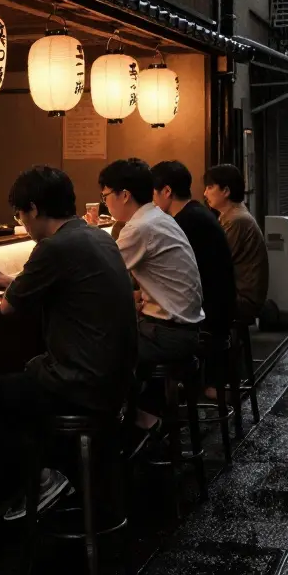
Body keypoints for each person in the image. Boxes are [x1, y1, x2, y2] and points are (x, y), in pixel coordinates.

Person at [0, 166, 137, 520]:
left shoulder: (53, 247)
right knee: (29, 372)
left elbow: (8, 308)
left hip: (85, 384)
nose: (22, 223)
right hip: (119, 380)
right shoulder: (96, 236)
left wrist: (16, 285)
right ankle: (66, 472)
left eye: (20, 214)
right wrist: (18, 281)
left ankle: (43, 479)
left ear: (34, 209)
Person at [100, 159, 204, 442]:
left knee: (98, 350)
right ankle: (145, 414)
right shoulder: (159, 217)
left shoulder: (139, 227)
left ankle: (132, 425)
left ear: (124, 195)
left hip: (170, 335)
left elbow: (99, 274)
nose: (105, 203)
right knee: (116, 338)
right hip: (184, 330)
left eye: (105, 196)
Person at [151, 160, 237, 400]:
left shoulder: (186, 223)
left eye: (153, 193)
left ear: (167, 191)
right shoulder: (197, 213)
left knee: (145, 331)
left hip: (209, 315)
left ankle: (158, 403)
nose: (152, 201)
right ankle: (169, 393)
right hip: (219, 306)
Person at [203, 164, 269, 327]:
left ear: (226, 191)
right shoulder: (231, 216)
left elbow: (217, 261)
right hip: (237, 294)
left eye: (210, 187)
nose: (205, 193)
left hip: (242, 298)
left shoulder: (236, 220)